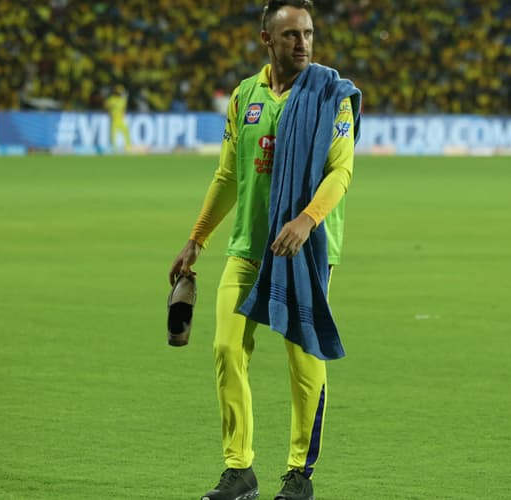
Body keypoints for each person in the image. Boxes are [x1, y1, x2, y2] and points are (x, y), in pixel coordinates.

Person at [168, 1, 361, 499]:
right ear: (266, 40)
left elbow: (341, 171)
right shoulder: (244, 97)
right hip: (249, 247)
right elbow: (228, 175)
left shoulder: (330, 96)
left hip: (305, 248)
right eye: (292, 34)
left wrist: (306, 219)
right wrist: (197, 238)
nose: (303, 43)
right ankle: (240, 470)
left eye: (309, 34)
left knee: (303, 359)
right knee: (227, 348)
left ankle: (299, 473)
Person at [104, 84, 131, 152]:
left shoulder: (112, 99)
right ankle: (116, 149)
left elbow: (107, 107)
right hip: (116, 119)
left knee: (123, 133)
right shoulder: (119, 100)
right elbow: (107, 107)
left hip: (118, 119)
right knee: (114, 135)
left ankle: (126, 147)